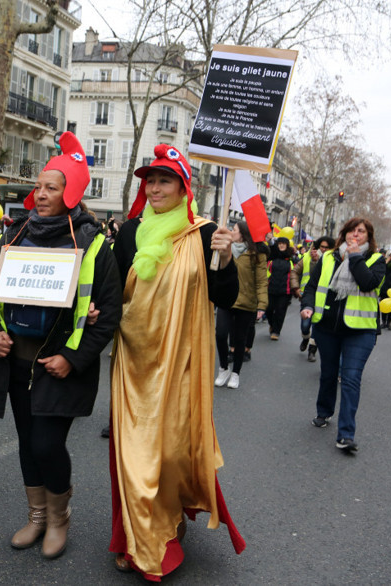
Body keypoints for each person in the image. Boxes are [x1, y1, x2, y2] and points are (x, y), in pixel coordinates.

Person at [0, 132, 121, 559]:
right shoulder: (15, 236)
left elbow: (107, 314)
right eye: (38, 187)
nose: (39, 195)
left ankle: (59, 518)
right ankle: (36, 517)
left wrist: (73, 358)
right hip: (15, 362)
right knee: (25, 441)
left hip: (59, 365)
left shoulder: (94, 245)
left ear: (70, 193)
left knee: (45, 444)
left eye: (50, 188)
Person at [109, 144, 245, 580]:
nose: (154, 188)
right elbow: (113, 293)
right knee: (131, 455)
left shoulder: (203, 234)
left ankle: (164, 526)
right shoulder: (129, 233)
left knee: (167, 454)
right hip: (132, 362)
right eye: (149, 180)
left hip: (180, 365)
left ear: (183, 187)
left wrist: (224, 257)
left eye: (164, 180)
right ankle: (133, 537)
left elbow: (224, 297)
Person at [301, 217, 385, 453]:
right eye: (351, 231)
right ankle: (324, 412)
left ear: (369, 237)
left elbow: (368, 283)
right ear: (344, 233)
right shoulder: (329, 257)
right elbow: (311, 286)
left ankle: (346, 434)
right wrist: (306, 305)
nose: (355, 235)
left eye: (361, 232)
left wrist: (356, 257)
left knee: (350, 379)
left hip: (360, 331)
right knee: (328, 373)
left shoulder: (377, 261)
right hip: (327, 328)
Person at [215, 221, 268, 389]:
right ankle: (223, 368)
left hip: (246, 302)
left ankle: (235, 373)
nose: (231, 232)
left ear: (242, 234)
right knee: (221, 335)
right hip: (226, 299)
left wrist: (262, 305)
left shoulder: (257, 254)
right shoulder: (224, 249)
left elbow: (261, 281)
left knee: (239, 339)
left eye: (234, 230)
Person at [290, 236, 334, 360]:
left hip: (322, 299)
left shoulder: (332, 260)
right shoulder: (307, 257)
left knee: (316, 326)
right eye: (322, 247)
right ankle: (305, 338)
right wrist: (296, 288)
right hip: (307, 296)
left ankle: (312, 351)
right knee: (305, 325)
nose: (324, 249)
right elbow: (294, 272)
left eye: (327, 247)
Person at [266, 236, 293, 340]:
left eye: (283, 243)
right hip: (271, 288)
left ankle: (276, 331)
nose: (281, 245)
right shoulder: (271, 257)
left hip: (285, 290)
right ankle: (272, 324)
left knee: (280, 312)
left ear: (287, 245)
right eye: (279, 243)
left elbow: (294, 275)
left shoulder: (291, 259)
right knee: (268, 309)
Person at [378, 248, 391, 331]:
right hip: (385, 286)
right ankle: (383, 322)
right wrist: (387, 261)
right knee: (383, 303)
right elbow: (382, 271)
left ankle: (389, 322)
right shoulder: (385, 261)